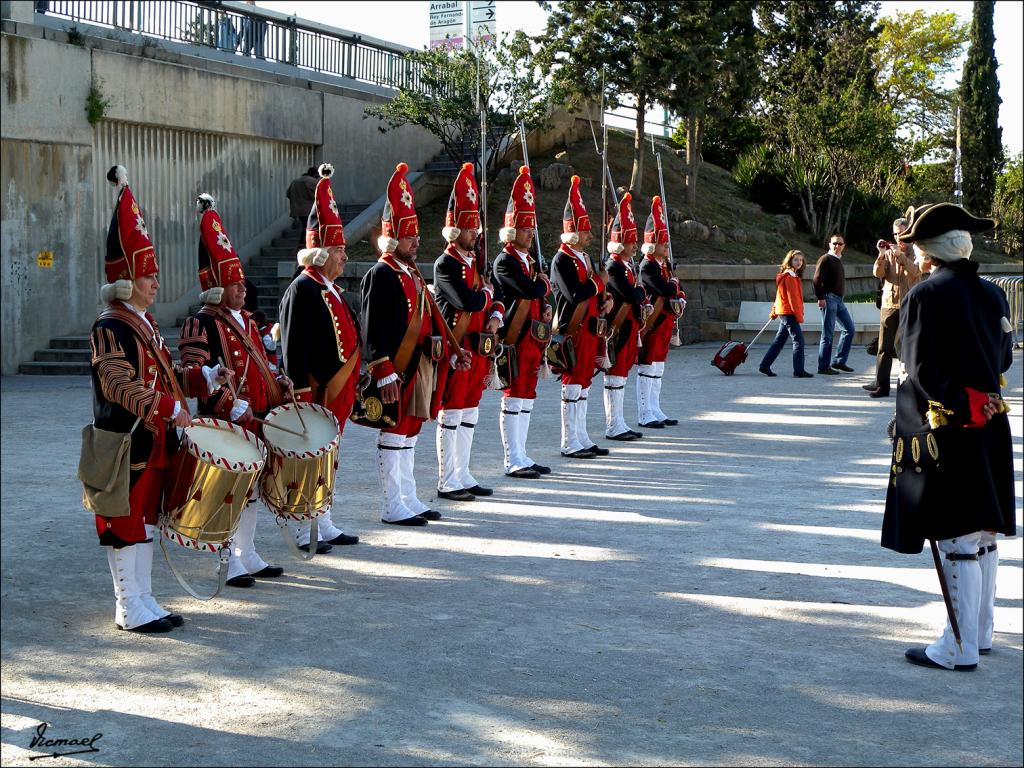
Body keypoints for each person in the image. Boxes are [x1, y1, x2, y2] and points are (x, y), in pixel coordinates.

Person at [90, 165, 230, 633]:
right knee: (124, 525)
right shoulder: (111, 325)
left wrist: (200, 378)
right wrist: (166, 407)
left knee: (146, 521)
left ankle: (144, 599)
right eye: (147, 275)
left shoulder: (144, 324)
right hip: (125, 444)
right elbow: (116, 383)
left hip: (152, 443)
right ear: (126, 280)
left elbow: (165, 379)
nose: (156, 282)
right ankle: (128, 606)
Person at [881, 202, 1014, 672]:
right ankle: (979, 634)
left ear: (929, 252)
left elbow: (919, 370)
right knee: (982, 532)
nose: (914, 257)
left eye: (917, 249)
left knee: (958, 534)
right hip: (990, 418)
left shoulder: (924, 296)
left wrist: (931, 412)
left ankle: (957, 646)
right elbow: (1004, 360)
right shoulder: (994, 294)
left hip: (948, 423)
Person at [178, 193, 290, 588]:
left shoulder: (247, 320)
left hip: (256, 416)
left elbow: (264, 365)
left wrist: (280, 383)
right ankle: (227, 561)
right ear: (216, 288)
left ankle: (248, 552)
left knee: (253, 488)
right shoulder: (202, 324)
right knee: (230, 492)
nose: (242, 288)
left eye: (242, 281)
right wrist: (233, 405)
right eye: (233, 283)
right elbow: (196, 375)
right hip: (226, 420)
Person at [360, 162, 470, 525]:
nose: (416, 241)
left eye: (417, 236)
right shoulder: (381, 273)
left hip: (421, 364)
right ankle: (393, 505)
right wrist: (384, 370)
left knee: (410, 431)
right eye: (409, 237)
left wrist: (450, 351)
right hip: (398, 367)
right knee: (394, 433)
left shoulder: (410, 272)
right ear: (393, 238)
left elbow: (432, 318)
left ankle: (408, 497)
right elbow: (372, 328)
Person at [278, 163, 361, 551]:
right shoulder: (303, 289)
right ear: (321, 252)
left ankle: (323, 519)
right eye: (339, 251)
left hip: (336, 392)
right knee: (304, 459)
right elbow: (294, 347)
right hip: (313, 392)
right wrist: (299, 395)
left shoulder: (330, 288)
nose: (344, 257)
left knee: (328, 458)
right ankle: (300, 526)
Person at [433, 163, 504, 501]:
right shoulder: (445, 264)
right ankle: (447, 479)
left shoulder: (474, 261)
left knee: (471, 411)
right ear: (454, 230)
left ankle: (463, 473)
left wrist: (496, 315)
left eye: (476, 226)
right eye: (469, 227)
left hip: (480, 346)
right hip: (457, 347)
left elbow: (492, 299)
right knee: (452, 412)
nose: (475, 232)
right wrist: (487, 297)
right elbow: (468, 299)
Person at [492, 165, 553, 478]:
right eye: (526, 228)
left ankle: (523, 454)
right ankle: (511, 458)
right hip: (514, 338)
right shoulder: (505, 261)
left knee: (527, 396)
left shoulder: (528, 260)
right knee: (513, 396)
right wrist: (541, 287)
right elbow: (526, 290)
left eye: (532, 228)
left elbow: (537, 294)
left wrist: (544, 306)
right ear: (511, 231)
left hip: (532, 337)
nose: (531, 232)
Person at [550, 175, 613, 458]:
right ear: (574, 232)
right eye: (586, 231)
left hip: (589, 328)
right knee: (572, 383)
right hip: (571, 329)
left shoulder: (583, 259)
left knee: (584, 383)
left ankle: (582, 436)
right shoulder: (562, 259)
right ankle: (568, 441)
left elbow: (593, 293)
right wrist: (600, 283)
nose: (590, 236)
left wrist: (606, 298)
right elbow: (574, 294)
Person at [602, 192, 649, 440]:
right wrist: (639, 293)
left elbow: (637, 293)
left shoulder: (627, 265)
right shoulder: (613, 266)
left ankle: (619, 421)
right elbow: (631, 295)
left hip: (629, 325)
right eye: (630, 241)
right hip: (618, 326)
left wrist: (638, 293)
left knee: (622, 375)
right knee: (615, 374)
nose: (634, 244)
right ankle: (613, 425)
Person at [636, 196, 686, 429]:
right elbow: (665, 289)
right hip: (653, 321)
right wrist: (674, 286)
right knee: (648, 366)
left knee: (659, 366)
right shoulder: (647, 266)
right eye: (663, 243)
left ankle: (655, 408)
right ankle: (644, 411)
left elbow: (676, 289)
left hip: (666, 320)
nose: (667, 247)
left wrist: (679, 294)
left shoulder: (663, 266)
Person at [863, 217, 920, 398]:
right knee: (884, 347)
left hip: (908, 304)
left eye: (901, 233)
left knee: (906, 348)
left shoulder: (917, 251)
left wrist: (900, 256)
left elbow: (916, 272)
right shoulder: (887, 252)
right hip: (889, 304)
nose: (897, 238)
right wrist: (881, 254)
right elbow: (878, 273)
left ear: (908, 231)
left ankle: (909, 386)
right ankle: (881, 384)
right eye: (895, 234)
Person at [759, 250, 814, 378]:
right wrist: (799, 316)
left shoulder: (789, 275)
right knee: (799, 341)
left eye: (801, 260)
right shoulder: (789, 277)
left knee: (779, 341)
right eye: (796, 260)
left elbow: (779, 296)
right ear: (790, 261)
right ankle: (799, 370)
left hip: (784, 312)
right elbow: (792, 298)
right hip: (789, 313)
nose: (799, 262)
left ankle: (764, 365)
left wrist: (774, 311)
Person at [812, 233, 856, 375]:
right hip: (828, 299)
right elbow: (816, 280)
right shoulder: (826, 259)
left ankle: (839, 361)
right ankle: (823, 366)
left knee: (849, 329)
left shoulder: (838, 260)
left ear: (844, 246)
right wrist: (821, 297)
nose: (837, 246)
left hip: (839, 301)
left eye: (840, 244)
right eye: (834, 243)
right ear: (829, 244)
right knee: (828, 334)